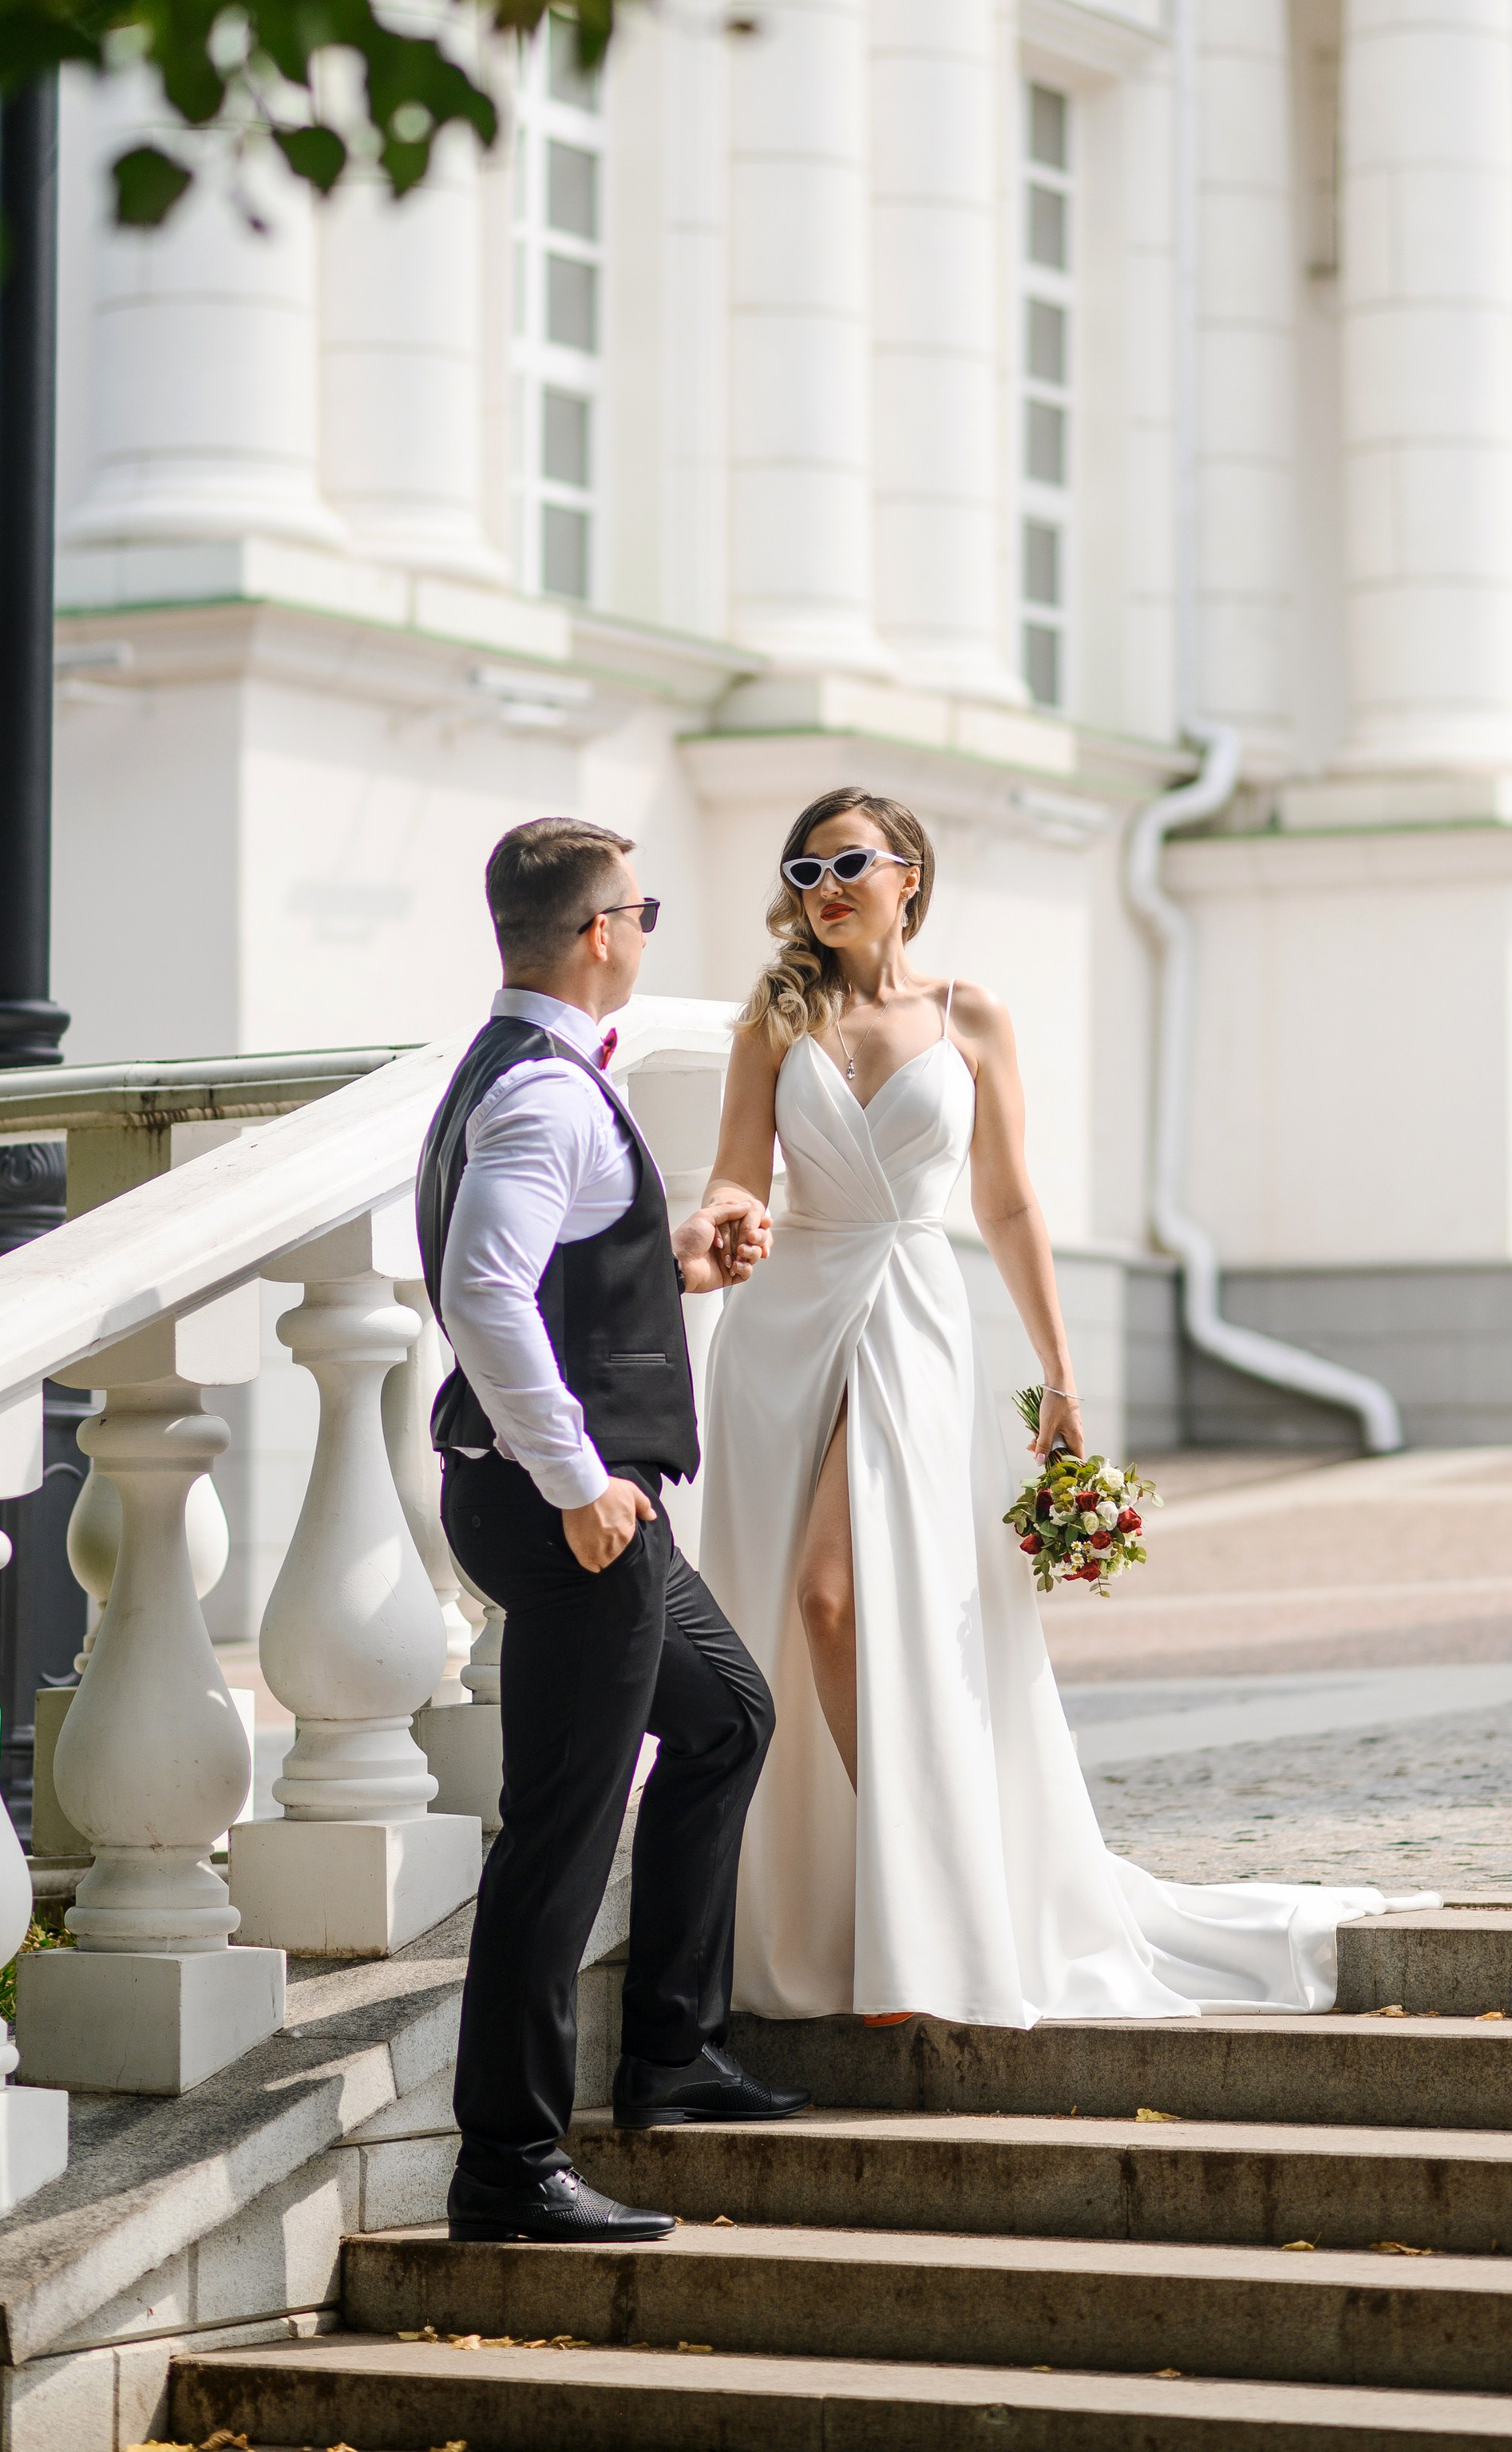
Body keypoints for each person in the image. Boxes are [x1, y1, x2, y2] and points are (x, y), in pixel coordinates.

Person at [696, 786, 1435, 2029]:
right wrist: (725, 1216)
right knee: (801, 1609)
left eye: (849, 865)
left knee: (855, 1604)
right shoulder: (773, 1020)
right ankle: (892, 1906)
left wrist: (1061, 1377)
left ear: (910, 876)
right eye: (803, 869)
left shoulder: (967, 1013)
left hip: (917, 1323)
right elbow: (731, 1166)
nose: (824, 889)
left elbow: (1009, 1204)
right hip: (786, 1333)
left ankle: (926, 1907)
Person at [415, 814, 808, 2248]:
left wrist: (678, 1262)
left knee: (727, 1719)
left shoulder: (521, 1073)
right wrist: (579, 1482)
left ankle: (668, 2053)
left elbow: (563, 1278)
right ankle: (506, 2167)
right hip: (566, 1509)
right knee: (559, 1835)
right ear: (597, 932)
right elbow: (485, 1296)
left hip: (565, 1498)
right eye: (640, 909)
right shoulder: (545, 1099)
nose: (650, 927)